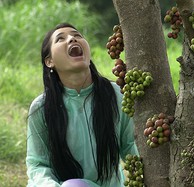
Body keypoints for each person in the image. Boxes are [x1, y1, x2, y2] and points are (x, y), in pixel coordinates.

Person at [26, 23, 139, 187]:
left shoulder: (117, 94)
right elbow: (37, 164)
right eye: (60, 39)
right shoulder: (42, 107)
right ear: (49, 61)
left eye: (77, 35)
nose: (72, 38)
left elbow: (131, 146)